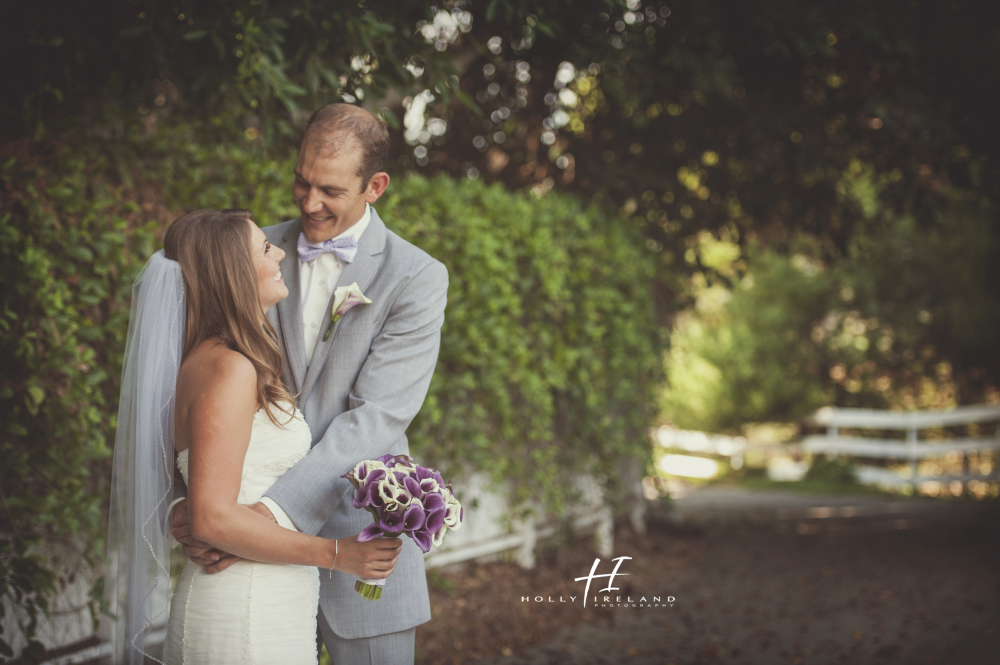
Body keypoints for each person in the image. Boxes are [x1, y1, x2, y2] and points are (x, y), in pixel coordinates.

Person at [169, 104, 447, 663]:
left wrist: (270, 513)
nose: (309, 202)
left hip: (360, 546)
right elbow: (189, 398)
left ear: (376, 186)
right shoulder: (247, 254)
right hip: (240, 552)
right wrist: (187, 507)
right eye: (302, 181)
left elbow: (377, 418)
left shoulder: (416, 276)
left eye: (330, 190)